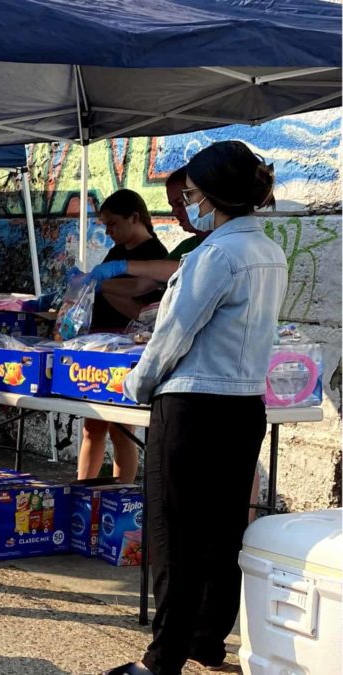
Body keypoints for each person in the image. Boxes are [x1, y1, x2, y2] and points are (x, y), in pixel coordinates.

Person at [105, 142, 285, 675]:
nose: (188, 203)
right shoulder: (269, 251)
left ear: (211, 195)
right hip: (244, 403)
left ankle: (162, 659)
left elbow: (173, 333)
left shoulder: (214, 255)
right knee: (223, 530)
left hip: (191, 405)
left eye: (190, 194)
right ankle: (208, 640)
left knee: (174, 534)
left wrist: (137, 384)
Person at [77, 190, 168, 485]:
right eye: (105, 225)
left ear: (134, 217)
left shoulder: (156, 253)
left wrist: (100, 285)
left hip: (128, 350)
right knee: (92, 427)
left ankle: (122, 494)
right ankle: (81, 488)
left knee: (122, 430)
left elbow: (139, 289)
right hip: (100, 345)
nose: (108, 231)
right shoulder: (116, 252)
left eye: (112, 224)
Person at [89, 168, 210, 314]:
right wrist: (94, 284)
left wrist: (121, 268)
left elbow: (184, 269)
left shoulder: (222, 244)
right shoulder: (185, 247)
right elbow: (139, 285)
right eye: (172, 206)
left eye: (180, 203)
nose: (174, 212)